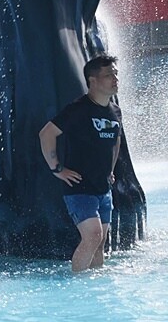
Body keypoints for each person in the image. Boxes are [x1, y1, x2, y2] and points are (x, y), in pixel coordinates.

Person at [39, 54, 122, 273]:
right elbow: (46, 134)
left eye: (115, 73)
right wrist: (57, 169)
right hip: (79, 188)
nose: (115, 78)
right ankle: (76, 285)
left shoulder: (114, 111)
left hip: (103, 188)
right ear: (92, 81)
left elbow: (116, 140)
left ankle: (94, 289)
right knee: (92, 235)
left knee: (100, 240)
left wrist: (111, 169)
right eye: (108, 75)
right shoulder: (78, 109)